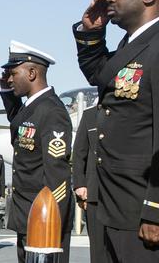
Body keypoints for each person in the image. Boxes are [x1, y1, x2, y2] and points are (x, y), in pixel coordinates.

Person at [72, 0, 159, 262]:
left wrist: (155, 209)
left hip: (142, 211)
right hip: (114, 207)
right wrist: (92, 33)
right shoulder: (132, 45)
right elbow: (100, 75)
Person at [0, 40, 73, 263]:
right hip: (27, 213)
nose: (10, 78)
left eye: (13, 73)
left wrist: (50, 218)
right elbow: (18, 123)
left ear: (32, 72)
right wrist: (6, 90)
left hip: (44, 218)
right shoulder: (31, 107)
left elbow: (57, 175)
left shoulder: (52, 111)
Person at [72, 106, 105, 262]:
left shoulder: (129, 110)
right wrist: (80, 184)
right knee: (98, 249)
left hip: (124, 193)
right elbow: (79, 153)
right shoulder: (90, 115)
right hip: (95, 194)